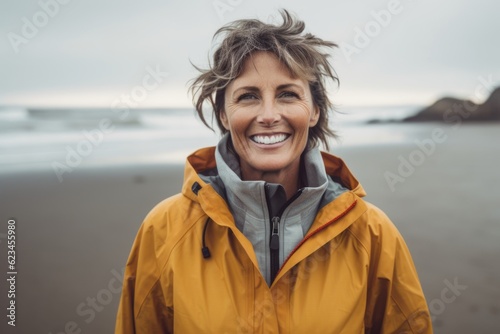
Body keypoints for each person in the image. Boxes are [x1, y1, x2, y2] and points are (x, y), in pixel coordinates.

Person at [115, 10, 432, 333]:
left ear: (314, 111)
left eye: (287, 94)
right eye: (248, 96)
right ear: (223, 114)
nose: (268, 115)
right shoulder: (164, 230)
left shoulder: (372, 234)